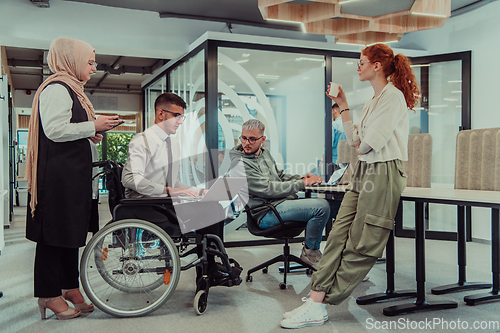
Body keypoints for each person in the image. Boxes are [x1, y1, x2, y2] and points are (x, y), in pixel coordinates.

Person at [280, 43, 420, 329]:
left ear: (377, 66)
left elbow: (367, 144)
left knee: (362, 241)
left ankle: (322, 301)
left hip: (384, 171)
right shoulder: (372, 101)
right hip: (365, 170)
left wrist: (361, 144)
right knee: (339, 233)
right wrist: (343, 104)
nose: (358, 67)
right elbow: (355, 142)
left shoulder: (392, 98)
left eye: (361, 62)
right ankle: (316, 300)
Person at [25, 37, 121, 320]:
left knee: (69, 234)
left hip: (71, 178)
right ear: (71, 59)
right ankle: (48, 294)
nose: (93, 67)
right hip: (57, 179)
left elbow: (67, 128)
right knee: (53, 236)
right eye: (89, 62)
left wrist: (89, 131)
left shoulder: (73, 90)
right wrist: (93, 124)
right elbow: (54, 130)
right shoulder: (57, 88)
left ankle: (68, 287)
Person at [121, 92, 225, 283]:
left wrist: (195, 190)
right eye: (177, 116)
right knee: (212, 210)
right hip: (146, 205)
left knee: (213, 203)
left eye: (182, 117)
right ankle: (209, 269)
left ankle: (210, 266)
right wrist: (170, 191)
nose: (180, 122)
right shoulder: (142, 141)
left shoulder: (173, 143)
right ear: (161, 114)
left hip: (164, 201)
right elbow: (130, 179)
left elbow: (173, 182)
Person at [229, 119, 331, 270]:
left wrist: (302, 178)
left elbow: (279, 176)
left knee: (329, 203)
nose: (247, 143)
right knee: (321, 207)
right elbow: (268, 189)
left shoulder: (265, 154)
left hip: (279, 203)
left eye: (252, 139)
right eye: (244, 138)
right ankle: (311, 253)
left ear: (262, 140)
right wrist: (302, 184)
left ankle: (328, 255)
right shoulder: (239, 164)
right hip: (266, 212)